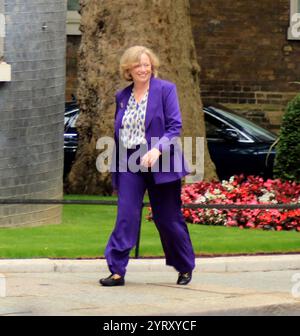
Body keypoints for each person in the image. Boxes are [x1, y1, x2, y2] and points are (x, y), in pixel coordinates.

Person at [99, 46, 195, 287]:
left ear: (152, 67)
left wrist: (156, 149)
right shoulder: (122, 96)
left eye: (146, 64)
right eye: (137, 65)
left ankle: (184, 266)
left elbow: (174, 127)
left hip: (161, 160)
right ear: (128, 70)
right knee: (126, 216)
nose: (143, 69)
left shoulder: (165, 90)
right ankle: (117, 270)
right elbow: (120, 131)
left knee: (167, 218)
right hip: (130, 162)